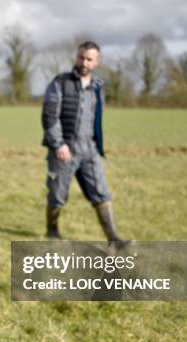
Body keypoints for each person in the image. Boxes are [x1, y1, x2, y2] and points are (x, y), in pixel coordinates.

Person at [41, 41, 128, 245]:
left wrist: (97, 145)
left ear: (96, 61)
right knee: (57, 194)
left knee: (102, 193)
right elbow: (49, 116)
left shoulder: (98, 87)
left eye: (89, 59)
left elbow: (98, 116)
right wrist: (58, 144)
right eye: (81, 57)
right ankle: (52, 231)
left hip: (90, 150)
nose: (84, 62)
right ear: (77, 57)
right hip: (64, 149)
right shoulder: (60, 83)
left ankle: (113, 238)